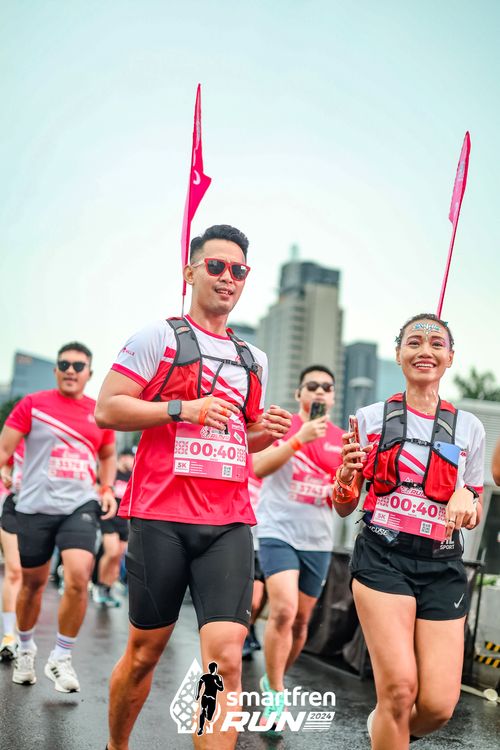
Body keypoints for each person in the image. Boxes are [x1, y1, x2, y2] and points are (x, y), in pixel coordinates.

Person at [95, 224, 291, 750]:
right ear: (191, 272)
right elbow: (107, 408)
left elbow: (237, 439)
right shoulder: (158, 338)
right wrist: (183, 408)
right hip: (161, 517)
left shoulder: (253, 359)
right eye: (216, 266)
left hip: (228, 522)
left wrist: (264, 431)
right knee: (144, 655)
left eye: (239, 270)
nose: (228, 277)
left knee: (225, 659)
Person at [332, 314, 485, 750]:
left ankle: (387, 728)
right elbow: (343, 504)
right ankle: (391, 720)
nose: (425, 351)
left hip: (442, 565)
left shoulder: (469, 427)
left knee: (437, 707)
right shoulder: (370, 418)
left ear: (450, 357)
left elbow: (473, 506)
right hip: (383, 558)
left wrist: (467, 499)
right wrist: (345, 475)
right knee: (399, 691)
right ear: (398, 353)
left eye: (436, 344)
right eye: (414, 342)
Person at [0, 342, 116, 692]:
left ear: (89, 373)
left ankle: (61, 657)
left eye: (78, 366)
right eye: (64, 364)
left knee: (79, 576)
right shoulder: (32, 404)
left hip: (79, 506)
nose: (70, 370)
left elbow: (108, 454)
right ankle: (25, 649)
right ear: (55, 370)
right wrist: (4, 469)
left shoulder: (98, 412)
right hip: (34, 507)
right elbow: (4, 449)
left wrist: (106, 487)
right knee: (32, 585)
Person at [253, 364, 343, 727]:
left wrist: (341, 487)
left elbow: (344, 494)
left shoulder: (340, 438)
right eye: (312, 386)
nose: (320, 391)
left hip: (317, 540)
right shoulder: (283, 426)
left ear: (333, 397)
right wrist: (299, 439)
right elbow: (257, 467)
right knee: (285, 609)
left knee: (302, 621)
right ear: (299, 393)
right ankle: (276, 694)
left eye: (327, 387)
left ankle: (273, 679)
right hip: (277, 531)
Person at [93, 448, 134, 607]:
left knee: (118, 556)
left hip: (122, 520)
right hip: (108, 516)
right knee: (111, 552)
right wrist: (103, 494)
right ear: (123, 458)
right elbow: (95, 483)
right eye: (131, 458)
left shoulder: (131, 475)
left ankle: (108, 590)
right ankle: (98, 586)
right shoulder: (112, 473)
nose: (132, 462)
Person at [0, 442, 23, 661]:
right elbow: (5, 463)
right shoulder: (17, 436)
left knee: (31, 578)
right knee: (14, 571)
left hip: (45, 511)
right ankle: (9, 636)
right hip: (14, 506)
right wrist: (5, 474)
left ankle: (25, 637)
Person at [241, 457, 266, 660]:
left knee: (258, 601)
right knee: (252, 599)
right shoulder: (245, 458)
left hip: (265, 541)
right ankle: (245, 634)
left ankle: (250, 627)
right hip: (243, 539)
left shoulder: (276, 465)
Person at [195, 661, 224, 736]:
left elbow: (221, 688)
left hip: (209, 698)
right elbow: (199, 683)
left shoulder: (217, 677)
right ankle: (201, 728)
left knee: (209, 717)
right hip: (208, 697)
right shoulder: (208, 676)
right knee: (203, 712)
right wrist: (198, 694)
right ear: (215, 669)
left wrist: (198, 694)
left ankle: (205, 715)